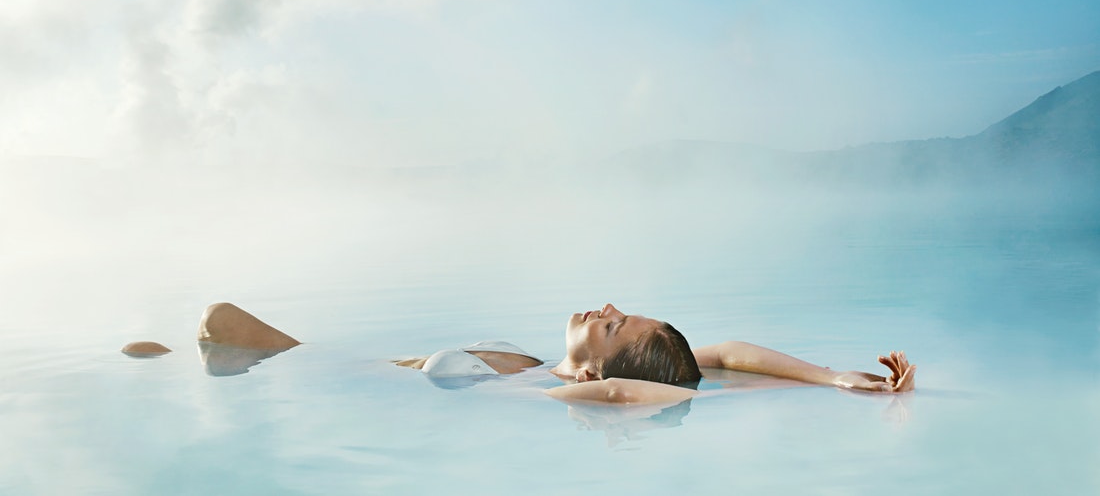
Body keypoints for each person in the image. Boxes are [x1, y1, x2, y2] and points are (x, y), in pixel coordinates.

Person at [127, 302, 915, 402]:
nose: (605, 307)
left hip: (317, 374)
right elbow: (726, 354)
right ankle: (177, 354)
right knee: (207, 324)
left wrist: (611, 383)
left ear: (597, 369)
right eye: (619, 310)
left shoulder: (570, 391)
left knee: (214, 321)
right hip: (313, 358)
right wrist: (832, 375)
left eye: (611, 326)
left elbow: (656, 393)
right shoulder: (550, 366)